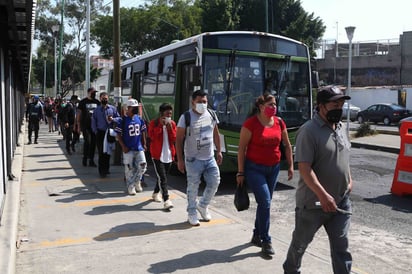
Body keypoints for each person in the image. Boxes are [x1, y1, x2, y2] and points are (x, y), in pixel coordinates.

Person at [283, 85, 353, 274]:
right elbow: (305, 169)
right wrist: (322, 196)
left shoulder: (341, 127)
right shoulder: (309, 131)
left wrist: (349, 180)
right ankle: (290, 270)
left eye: (341, 105)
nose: (338, 109)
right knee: (300, 245)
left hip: (340, 202)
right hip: (313, 204)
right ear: (321, 106)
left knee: (341, 249)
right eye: (334, 104)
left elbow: (344, 157)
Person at [236, 92, 294, 256]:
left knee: (264, 204)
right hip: (254, 169)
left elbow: (287, 145)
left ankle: (256, 234)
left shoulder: (279, 122)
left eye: (274, 104)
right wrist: (240, 172)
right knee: (266, 202)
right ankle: (266, 241)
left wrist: (290, 165)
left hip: (273, 168)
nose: (273, 107)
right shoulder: (251, 124)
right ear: (261, 107)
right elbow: (242, 149)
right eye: (270, 104)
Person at [175, 89, 223, 226]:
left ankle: (203, 205)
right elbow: (178, 139)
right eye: (199, 102)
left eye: (205, 102)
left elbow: (216, 134)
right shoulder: (186, 117)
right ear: (193, 103)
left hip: (209, 158)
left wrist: (219, 151)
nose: (203, 104)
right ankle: (191, 212)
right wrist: (179, 159)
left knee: (215, 182)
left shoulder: (212, 114)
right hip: (192, 160)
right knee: (193, 187)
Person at [115, 98, 147, 195]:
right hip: (128, 149)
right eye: (134, 108)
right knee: (129, 169)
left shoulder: (139, 119)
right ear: (128, 108)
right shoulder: (122, 120)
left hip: (138, 147)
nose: (135, 109)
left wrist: (144, 143)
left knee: (143, 166)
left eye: (136, 108)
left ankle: (137, 181)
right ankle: (130, 186)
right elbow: (118, 135)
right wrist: (123, 146)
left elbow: (143, 131)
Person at [148, 103, 176, 210]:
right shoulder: (154, 123)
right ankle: (167, 200)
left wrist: (169, 129)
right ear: (161, 113)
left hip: (168, 154)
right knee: (163, 178)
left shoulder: (172, 124)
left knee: (162, 177)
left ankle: (155, 193)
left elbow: (174, 139)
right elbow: (152, 136)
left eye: (170, 113)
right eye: (167, 113)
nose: (169, 115)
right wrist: (161, 126)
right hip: (157, 155)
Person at [92, 92, 120, 177]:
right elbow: (93, 122)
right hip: (100, 133)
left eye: (106, 98)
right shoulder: (96, 110)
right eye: (103, 98)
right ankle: (102, 171)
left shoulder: (112, 109)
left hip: (109, 132)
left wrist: (113, 119)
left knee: (108, 152)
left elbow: (119, 118)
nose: (105, 100)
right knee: (101, 152)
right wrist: (95, 131)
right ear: (100, 99)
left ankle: (107, 169)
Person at [76, 87, 100, 167]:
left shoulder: (97, 102)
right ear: (89, 92)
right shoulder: (83, 102)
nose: (94, 94)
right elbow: (79, 114)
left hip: (94, 126)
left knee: (93, 142)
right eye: (93, 92)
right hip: (85, 125)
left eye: (95, 93)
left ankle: (91, 160)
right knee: (87, 141)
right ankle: (85, 158)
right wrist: (78, 126)